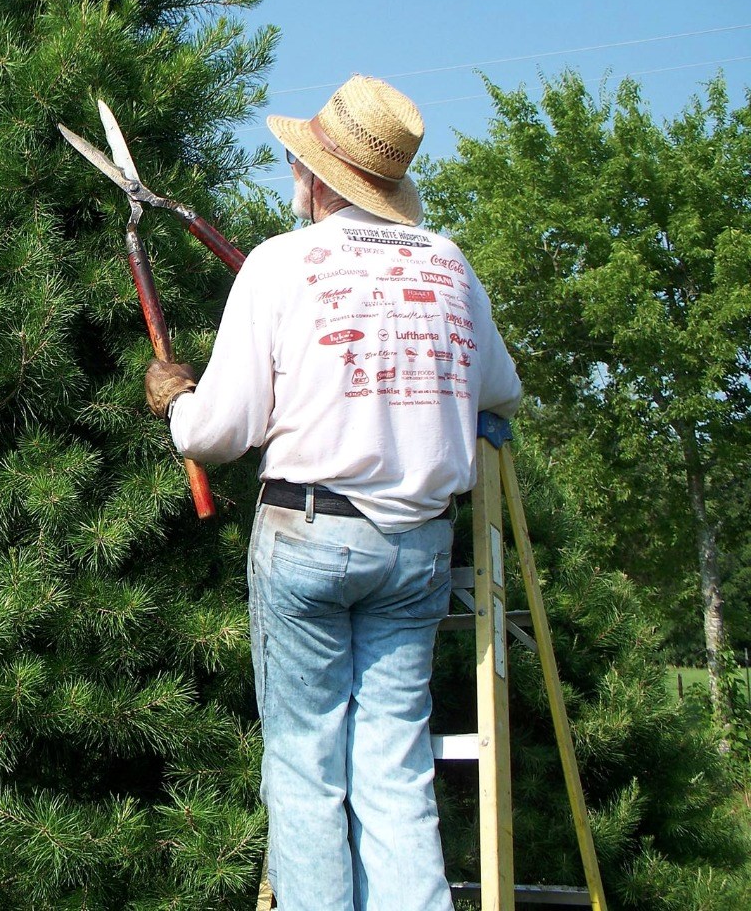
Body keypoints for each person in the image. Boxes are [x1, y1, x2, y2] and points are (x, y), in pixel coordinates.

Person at [145, 74, 522, 911]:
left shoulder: (283, 264)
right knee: (396, 767)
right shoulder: (450, 264)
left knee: (307, 769)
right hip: (419, 547)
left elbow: (219, 433)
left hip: (311, 535)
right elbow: (501, 389)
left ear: (316, 178)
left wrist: (176, 402)